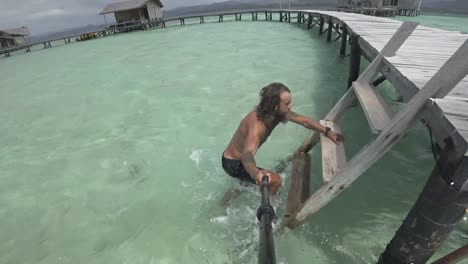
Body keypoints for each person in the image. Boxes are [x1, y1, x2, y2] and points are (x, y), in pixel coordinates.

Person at [221, 82, 344, 196]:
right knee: (276, 180)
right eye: (287, 103)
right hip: (234, 164)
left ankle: (226, 201)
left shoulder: (276, 113)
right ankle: (271, 211)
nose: (291, 106)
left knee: (244, 182)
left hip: (239, 160)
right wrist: (256, 173)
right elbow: (246, 155)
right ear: (275, 106)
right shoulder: (257, 126)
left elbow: (304, 121)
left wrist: (327, 132)